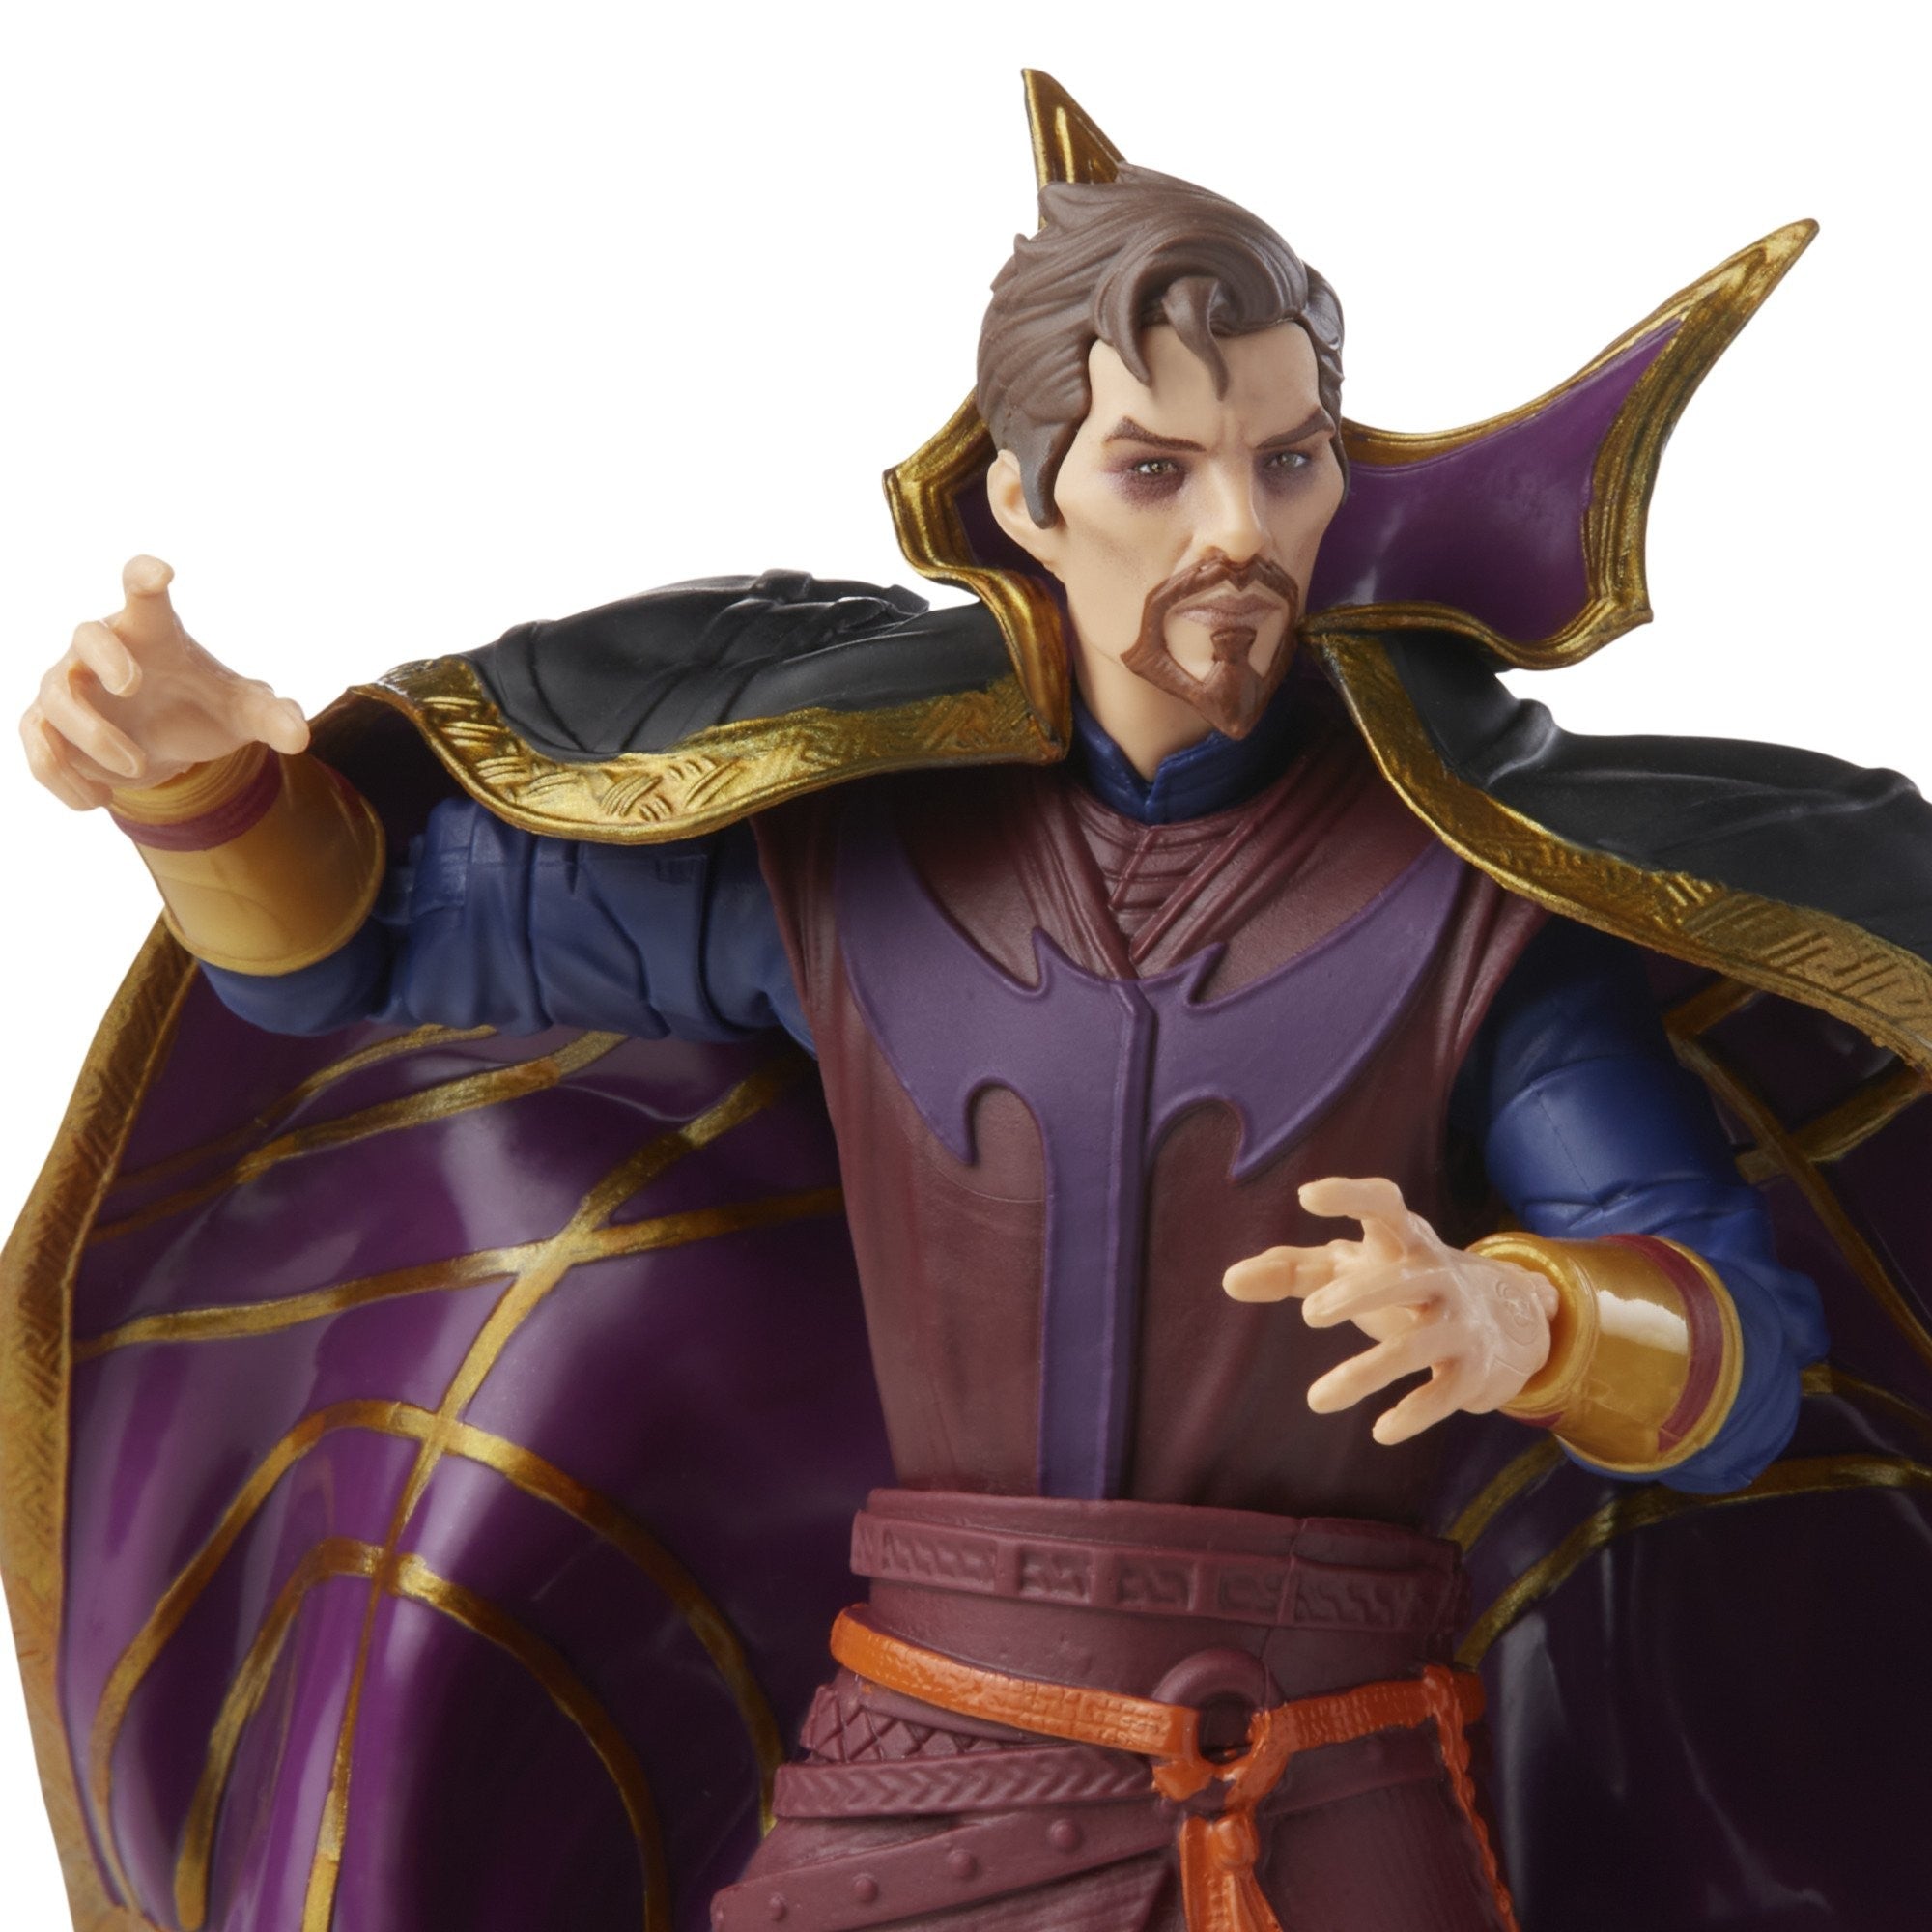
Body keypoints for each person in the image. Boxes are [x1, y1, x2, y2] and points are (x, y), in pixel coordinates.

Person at [13, 76, 1920, 1932]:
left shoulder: (1471, 903)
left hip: (1328, 1788)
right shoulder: (856, 862)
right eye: (1156, 468)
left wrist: (1532, 1318)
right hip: (928, 1769)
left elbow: (1739, 1353)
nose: (1236, 532)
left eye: (1285, 461)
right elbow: (362, 947)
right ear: (1024, 498)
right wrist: (211, 798)